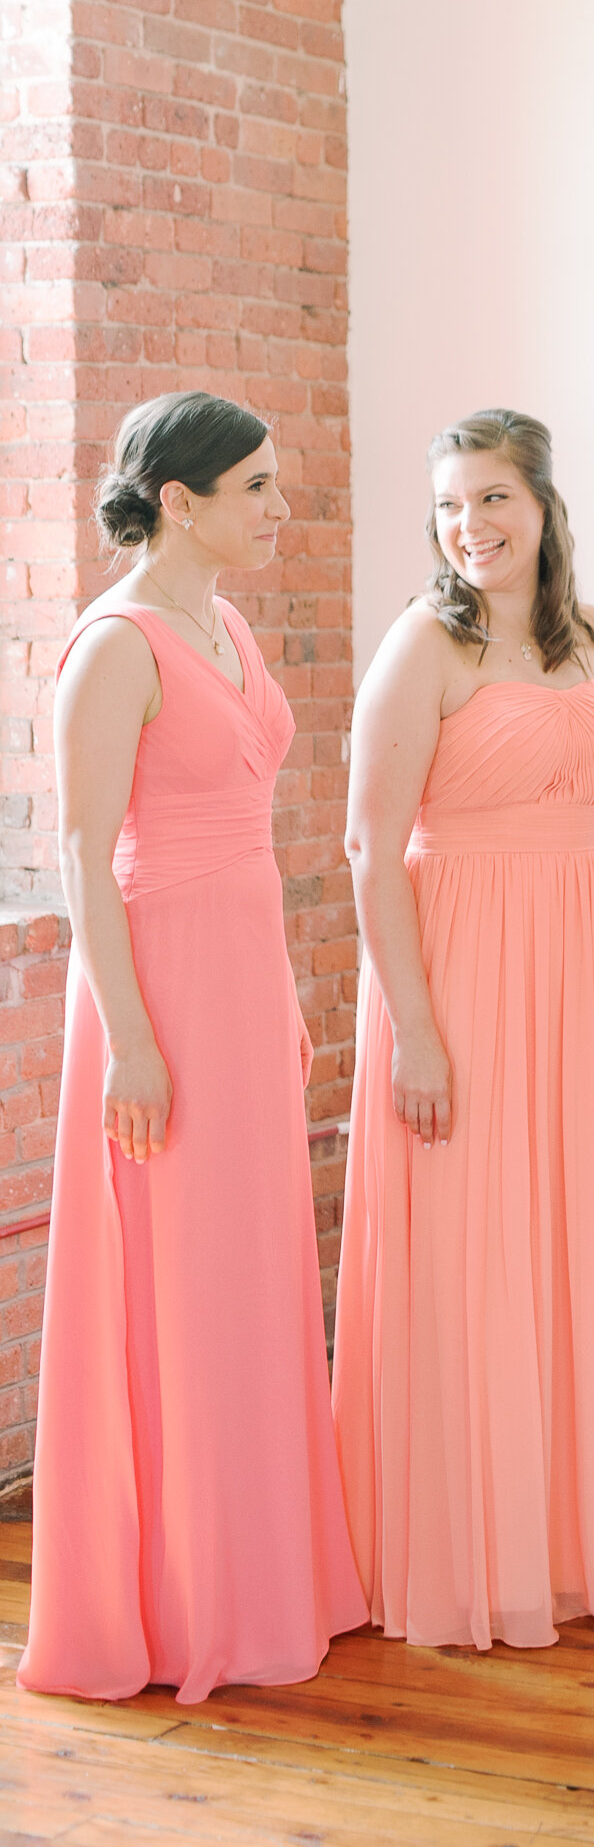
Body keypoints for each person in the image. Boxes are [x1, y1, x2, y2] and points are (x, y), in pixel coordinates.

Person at [19, 393, 365, 1702]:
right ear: (182, 501)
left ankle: (263, 1574)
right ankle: (179, 1603)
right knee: (178, 1277)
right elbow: (81, 859)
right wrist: (132, 1045)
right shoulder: (116, 646)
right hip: (155, 984)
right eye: (260, 489)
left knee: (248, 1275)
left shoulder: (221, 622)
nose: (281, 510)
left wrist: (274, 997)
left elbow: (247, 834)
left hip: (235, 974)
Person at [332, 410, 594, 1650]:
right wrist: (414, 1031)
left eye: (492, 500)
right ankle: (463, 1546)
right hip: (460, 972)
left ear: (542, 505)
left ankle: (573, 1539)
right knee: (473, 1247)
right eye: (448, 507)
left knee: (577, 1238)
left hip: (585, 970)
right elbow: (370, 846)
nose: (468, 527)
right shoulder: (425, 644)